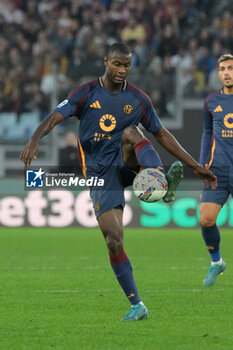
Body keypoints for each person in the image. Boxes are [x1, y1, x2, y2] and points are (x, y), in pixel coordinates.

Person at [20, 42, 217, 321]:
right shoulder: (86, 93)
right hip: (100, 175)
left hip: (127, 162)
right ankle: (137, 305)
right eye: (117, 64)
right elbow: (55, 116)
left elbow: (162, 135)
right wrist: (34, 139)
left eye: (126, 65)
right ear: (106, 62)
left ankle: (158, 179)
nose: (122, 70)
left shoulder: (138, 99)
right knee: (113, 241)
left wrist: (195, 166)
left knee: (133, 132)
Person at [200, 53, 233, 287]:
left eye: (230, 68)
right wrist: (203, 164)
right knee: (206, 219)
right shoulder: (211, 101)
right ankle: (216, 262)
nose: (227, 72)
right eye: (222, 69)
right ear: (218, 73)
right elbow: (206, 133)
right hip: (218, 170)